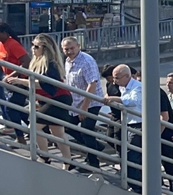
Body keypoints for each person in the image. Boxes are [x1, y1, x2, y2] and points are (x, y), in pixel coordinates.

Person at [8, 35, 76, 165]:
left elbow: (46, 85)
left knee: (34, 126)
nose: (32, 49)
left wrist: (20, 81)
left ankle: (44, 156)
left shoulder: (50, 64)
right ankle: (68, 162)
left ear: (45, 48)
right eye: (32, 45)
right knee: (57, 132)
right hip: (51, 99)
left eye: (36, 46)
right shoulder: (38, 61)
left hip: (58, 98)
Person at [59, 37, 104, 169]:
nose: (69, 51)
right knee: (67, 127)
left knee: (86, 130)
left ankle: (93, 163)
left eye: (72, 48)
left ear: (78, 46)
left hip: (91, 102)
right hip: (75, 101)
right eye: (66, 49)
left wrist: (84, 107)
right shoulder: (67, 61)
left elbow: (92, 84)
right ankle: (96, 147)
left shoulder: (86, 61)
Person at [0, 21, 31, 143]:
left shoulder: (12, 43)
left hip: (20, 81)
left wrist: (11, 76)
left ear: (4, 33)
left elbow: (27, 62)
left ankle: (20, 137)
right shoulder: (1, 44)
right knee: (19, 110)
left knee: (11, 109)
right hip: (10, 82)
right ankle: (41, 132)